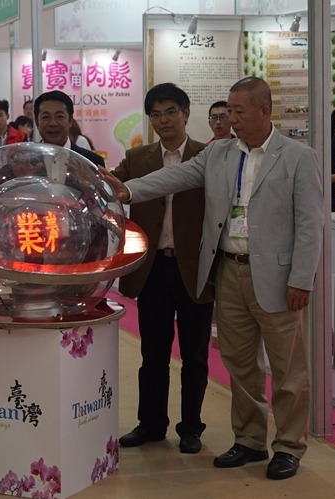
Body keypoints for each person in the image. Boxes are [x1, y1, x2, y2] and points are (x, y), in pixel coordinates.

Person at [101, 77, 323, 480]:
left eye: (238, 111)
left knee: (288, 370)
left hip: (277, 277)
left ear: (264, 111)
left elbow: (310, 224)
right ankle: (250, 440)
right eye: (228, 111)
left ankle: (289, 446)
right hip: (229, 271)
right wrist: (129, 192)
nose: (229, 119)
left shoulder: (297, 157)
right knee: (240, 364)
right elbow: (174, 177)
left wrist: (302, 279)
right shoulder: (219, 153)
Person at [112, 83, 214, 454]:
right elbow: (112, 188)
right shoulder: (137, 158)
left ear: (186, 113)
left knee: (195, 356)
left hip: (194, 270)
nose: (164, 120)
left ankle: (191, 428)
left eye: (171, 111)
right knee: (153, 354)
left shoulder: (208, 156)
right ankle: (151, 424)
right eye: (156, 114)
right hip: (152, 270)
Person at [33, 90, 105, 167]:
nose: (53, 123)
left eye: (59, 116)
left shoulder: (92, 161)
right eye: (45, 117)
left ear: (70, 120)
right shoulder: (27, 160)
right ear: (37, 122)